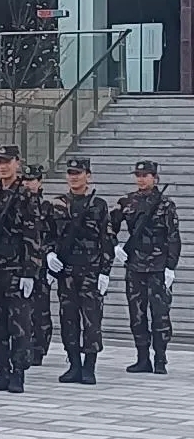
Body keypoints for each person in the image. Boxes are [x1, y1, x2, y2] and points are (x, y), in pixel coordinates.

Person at [0, 144, 40, 394]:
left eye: (8, 161)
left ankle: (18, 372)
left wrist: (30, 272)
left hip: (16, 269)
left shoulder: (26, 196)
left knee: (19, 325)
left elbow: (33, 235)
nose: (3, 166)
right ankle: (2, 369)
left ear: (17, 163)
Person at [45, 157, 114, 385]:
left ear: (88, 176)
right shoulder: (57, 203)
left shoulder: (98, 205)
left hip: (91, 269)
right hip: (66, 270)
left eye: (79, 172)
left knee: (92, 320)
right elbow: (47, 234)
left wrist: (105, 270)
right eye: (71, 173)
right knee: (68, 319)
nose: (74, 177)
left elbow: (107, 237)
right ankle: (74, 364)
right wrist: (49, 255)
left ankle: (89, 366)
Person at [111, 159, 181, 375]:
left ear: (155, 178)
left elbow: (173, 236)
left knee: (160, 314)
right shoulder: (127, 201)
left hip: (158, 267)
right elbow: (108, 226)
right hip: (135, 266)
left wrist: (171, 266)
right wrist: (115, 247)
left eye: (146, 175)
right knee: (137, 314)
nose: (141, 179)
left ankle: (160, 358)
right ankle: (143, 358)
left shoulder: (166, 204)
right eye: (138, 175)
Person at [22, 164, 53, 367]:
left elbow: (53, 234)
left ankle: (39, 348)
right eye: (25, 180)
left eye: (32, 180)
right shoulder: (18, 204)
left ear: (39, 182)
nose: (27, 184)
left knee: (40, 310)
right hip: (21, 264)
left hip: (41, 265)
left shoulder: (47, 207)